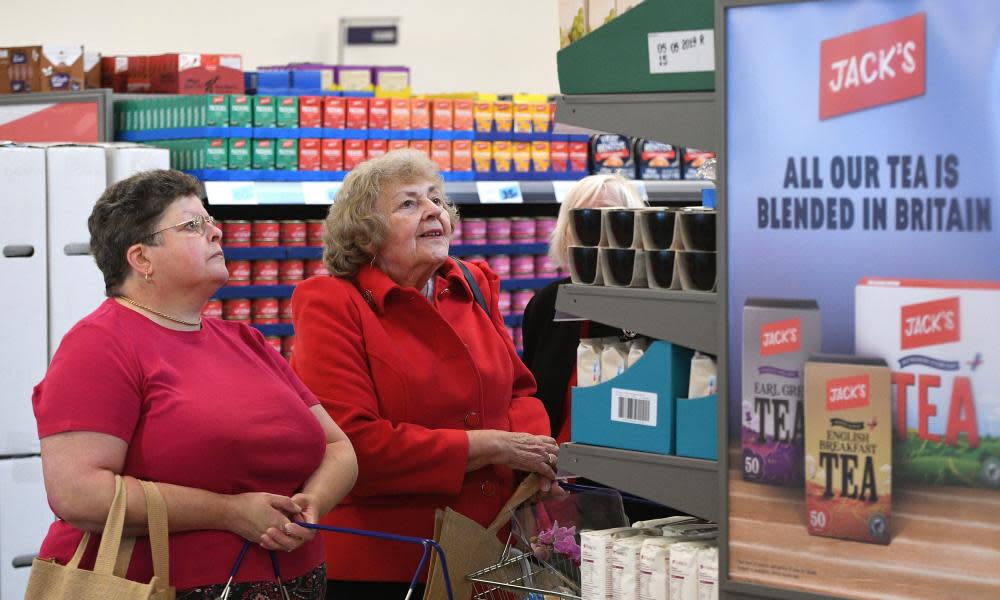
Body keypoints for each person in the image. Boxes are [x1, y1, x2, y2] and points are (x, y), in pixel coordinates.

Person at [32, 169, 358, 600]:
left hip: (297, 580)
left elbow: (339, 449)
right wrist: (227, 513)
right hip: (161, 586)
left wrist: (312, 504)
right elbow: (77, 493)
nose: (216, 232)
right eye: (192, 226)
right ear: (141, 259)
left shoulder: (246, 340)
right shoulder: (100, 344)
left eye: (210, 221)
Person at [289, 150, 561, 600]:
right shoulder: (332, 304)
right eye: (409, 204)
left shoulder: (469, 286)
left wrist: (536, 460)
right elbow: (356, 445)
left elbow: (519, 390)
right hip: (391, 565)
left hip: (492, 551)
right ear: (366, 233)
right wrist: (492, 445)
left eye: (437, 200)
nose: (434, 210)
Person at [521, 174, 646, 443]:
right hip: (555, 471)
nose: (596, 230)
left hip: (629, 469)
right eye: (584, 219)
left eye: (611, 217)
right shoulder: (547, 302)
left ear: (637, 230)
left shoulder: (656, 306)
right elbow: (530, 396)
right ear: (567, 231)